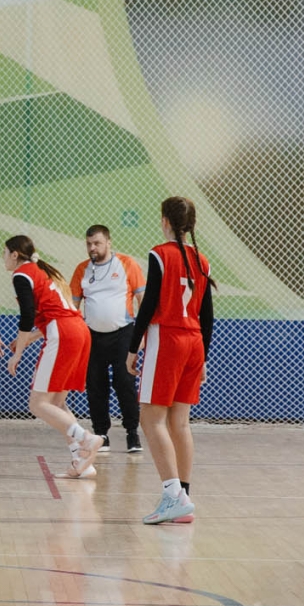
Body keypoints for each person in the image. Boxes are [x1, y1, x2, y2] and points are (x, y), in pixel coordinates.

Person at [126, 196, 214, 525]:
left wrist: (133, 348)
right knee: (180, 423)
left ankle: (173, 495)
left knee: (150, 419)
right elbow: (208, 315)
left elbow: (148, 304)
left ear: (164, 221)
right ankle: (183, 498)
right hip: (194, 342)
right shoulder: (202, 260)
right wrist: (204, 357)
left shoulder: (160, 254)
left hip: (168, 338)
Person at [3, 234, 102, 478]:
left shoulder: (22, 274)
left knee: (38, 404)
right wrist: (30, 338)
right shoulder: (44, 271)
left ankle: (87, 438)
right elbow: (56, 312)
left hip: (64, 333)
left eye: (4, 252)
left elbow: (27, 315)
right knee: (56, 404)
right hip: (78, 331)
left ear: (15, 254)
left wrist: (18, 353)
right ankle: (82, 461)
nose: (3, 257)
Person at [70, 223, 145, 453]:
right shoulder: (82, 270)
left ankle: (132, 433)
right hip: (92, 336)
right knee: (95, 385)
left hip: (123, 333)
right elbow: (72, 307)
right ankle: (101, 433)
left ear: (108, 243)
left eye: (97, 243)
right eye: (89, 244)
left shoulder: (127, 264)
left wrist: (142, 335)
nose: (92, 248)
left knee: (125, 383)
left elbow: (143, 301)